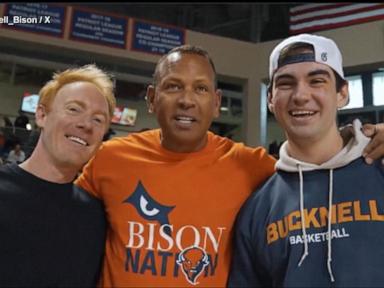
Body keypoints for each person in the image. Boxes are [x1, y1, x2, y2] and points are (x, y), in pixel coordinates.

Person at [75, 44, 384, 287]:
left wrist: (364, 139)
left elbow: (315, 164)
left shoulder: (253, 168)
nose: (187, 100)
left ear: (215, 100)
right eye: (173, 87)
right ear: (152, 99)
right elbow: (57, 216)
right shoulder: (110, 159)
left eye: (200, 89)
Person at [228, 33, 384, 287]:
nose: (300, 95)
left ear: (343, 93)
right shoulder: (257, 209)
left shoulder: (380, 167)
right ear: (270, 99)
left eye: (317, 81)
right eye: (286, 83)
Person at [0, 64, 116, 286]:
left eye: (98, 120)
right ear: (42, 115)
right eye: (74, 109)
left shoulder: (97, 217)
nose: (85, 124)